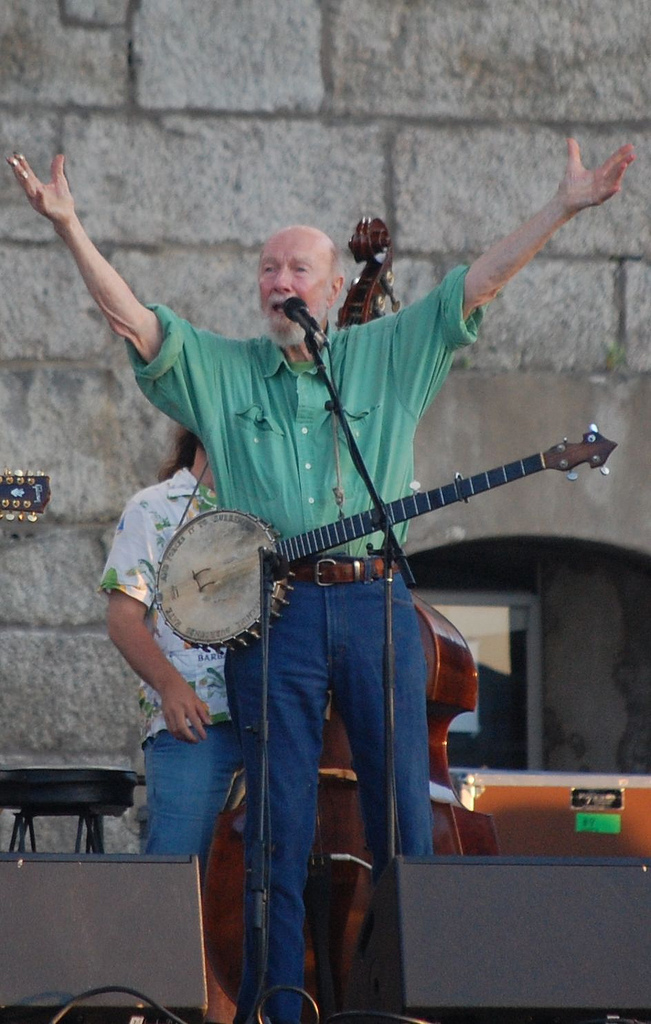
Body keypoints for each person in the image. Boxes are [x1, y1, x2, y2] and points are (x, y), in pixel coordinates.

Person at [8, 138, 635, 1024]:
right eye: (267, 269)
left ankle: (407, 1003)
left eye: (297, 268)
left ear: (336, 288)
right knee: (276, 830)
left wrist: (562, 208)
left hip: (376, 603)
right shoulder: (226, 370)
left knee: (403, 825)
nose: (279, 281)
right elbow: (136, 324)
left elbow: (477, 285)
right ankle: (277, 1009)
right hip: (279, 614)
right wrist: (70, 227)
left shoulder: (386, 351)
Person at [99, 424, 243, 1024]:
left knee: (264, 887)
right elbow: (123, 619)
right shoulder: (153, 507)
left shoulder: (276, 505)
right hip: (193, 725)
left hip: (273, 718)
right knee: (177, 883)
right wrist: (171, 686)